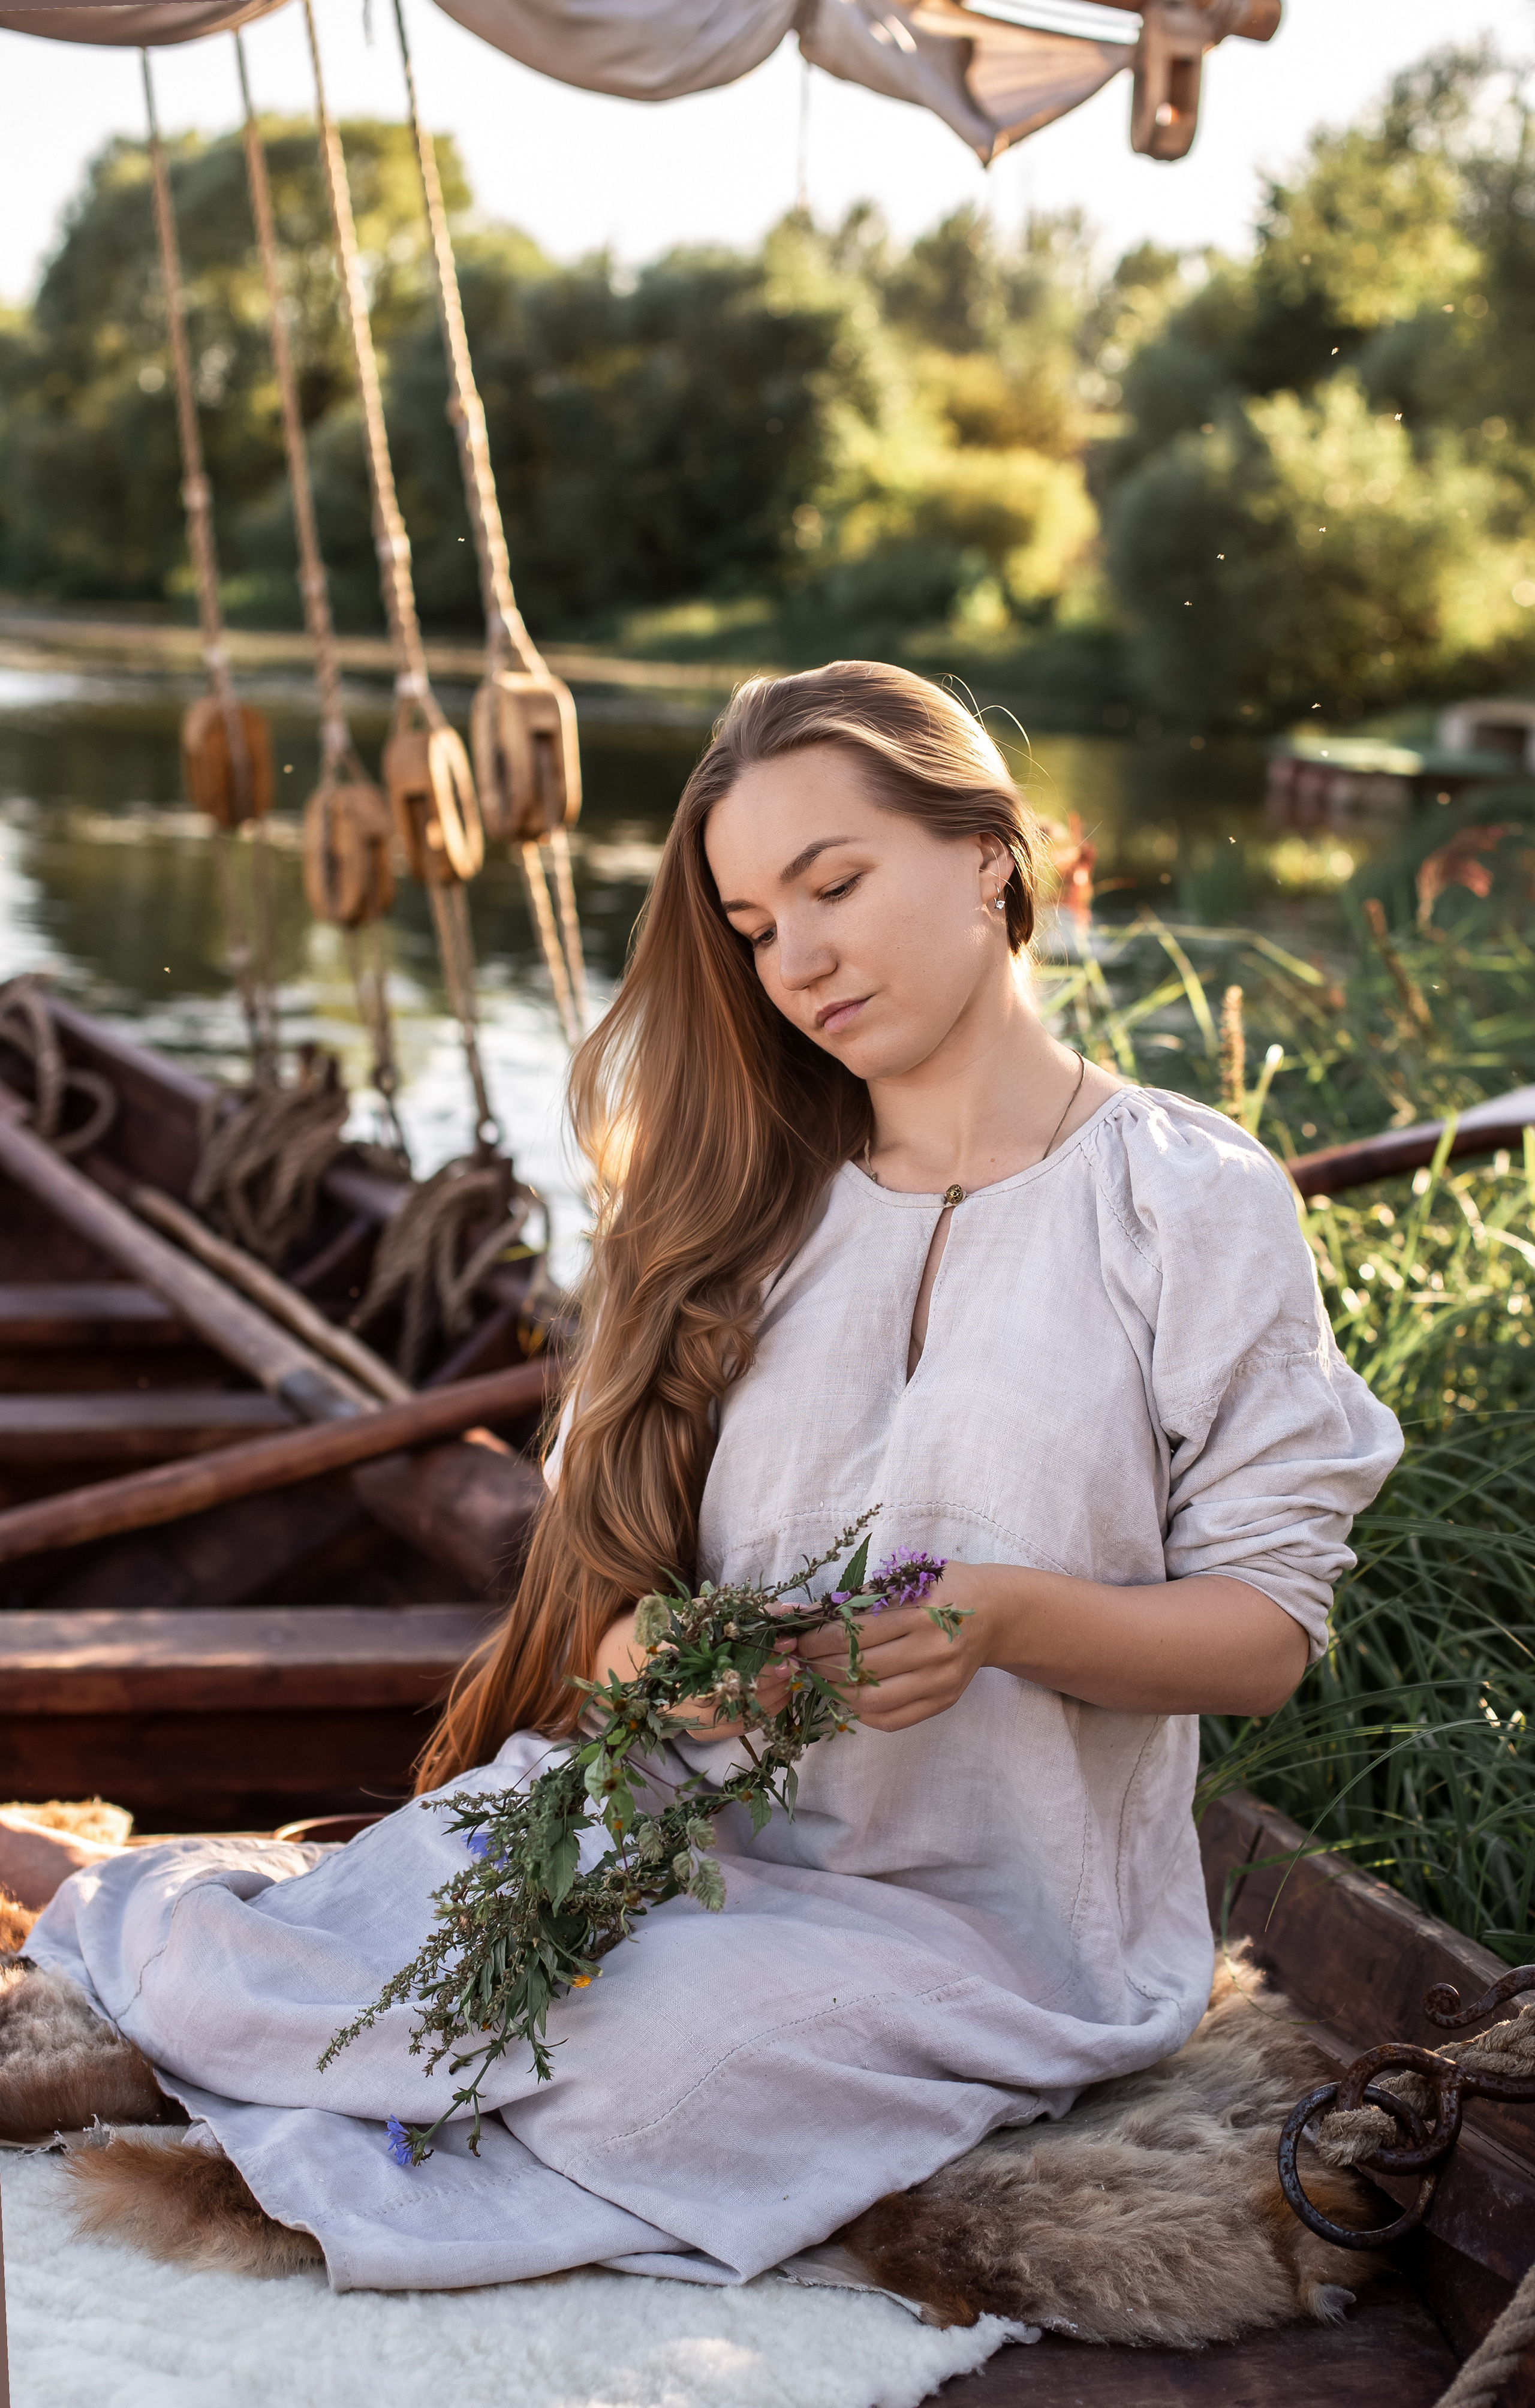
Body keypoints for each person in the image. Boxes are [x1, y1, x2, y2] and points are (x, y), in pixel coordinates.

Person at [10, 661, 1401, 2293]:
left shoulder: (1187, 1200)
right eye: (751, 924)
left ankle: (189, 1974)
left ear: (988, 855)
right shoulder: (752, 1206)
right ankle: (105, 1901)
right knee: (372, 1925)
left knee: (661, 2052)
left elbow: (1266, 1633)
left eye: (835, 884)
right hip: (672, 1847)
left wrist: (1000, 1619)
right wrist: (648, 1666)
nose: (796, 960)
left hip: (1001, 1940)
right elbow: (616, 1619)